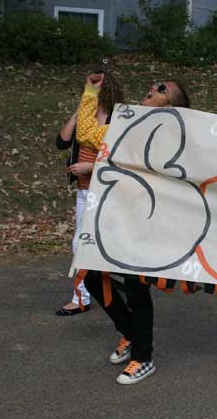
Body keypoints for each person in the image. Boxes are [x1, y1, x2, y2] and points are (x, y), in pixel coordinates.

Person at [76, 74, 191, 385]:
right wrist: (90, 92)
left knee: (136, 285)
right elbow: (86, 133)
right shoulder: (129, 122)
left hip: (146, 218)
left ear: (172, 104)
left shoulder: (173, 133)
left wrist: (94, 169)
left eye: (161, 89)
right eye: (154, 85)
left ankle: (143, 357)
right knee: (91, 273)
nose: (152, 89)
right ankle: (130, 333)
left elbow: (152, 172)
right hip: (116, 214)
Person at [55, 71, 125, 316]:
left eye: (95, 90)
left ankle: (92, 293)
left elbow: (122, 160)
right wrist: (79, 110)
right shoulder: (85, 116)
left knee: (96, 243)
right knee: (83, 243)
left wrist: (90, 167)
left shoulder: (120, 120)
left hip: (108, 191)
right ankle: (86, 295)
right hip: (85, 190)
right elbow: (62, 141)